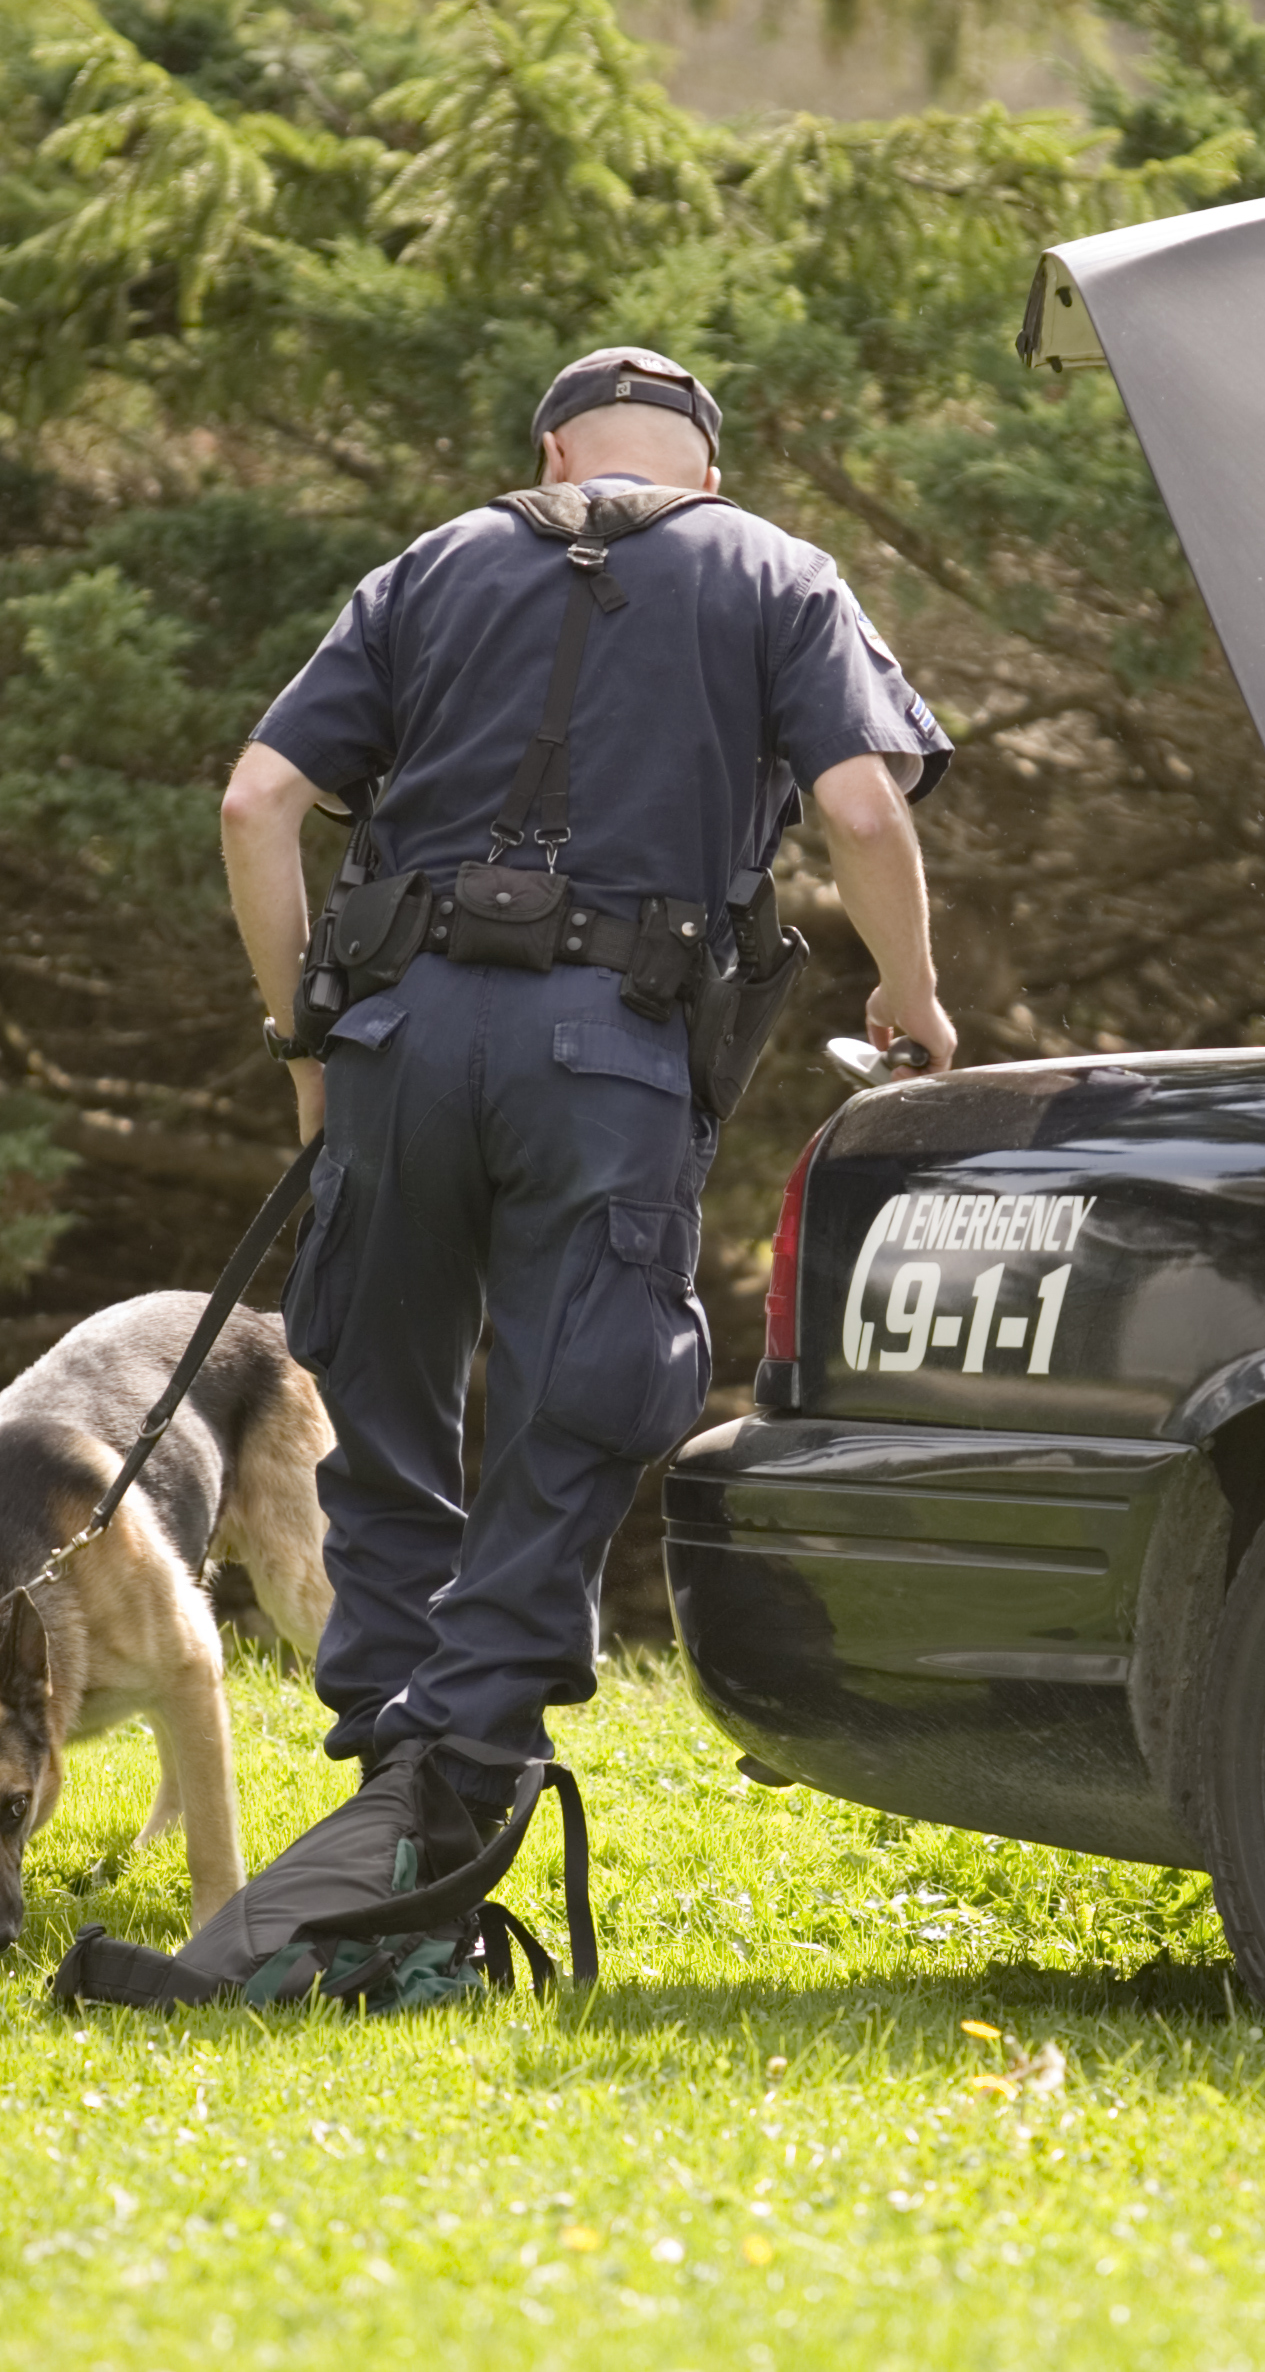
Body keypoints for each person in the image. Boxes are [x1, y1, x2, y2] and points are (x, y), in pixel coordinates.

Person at [216, 346, 955, 1828]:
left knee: (386, 1398)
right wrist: (913, 994)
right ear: (707, 475)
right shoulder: (773, 568)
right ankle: (462, 1762)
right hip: (607, 1055)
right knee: (584, 1398)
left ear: (552, 455)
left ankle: (388, 1760)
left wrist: (307, 1045)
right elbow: (864, 805)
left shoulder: (432, 563)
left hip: (396, 1043)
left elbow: (255, 803)